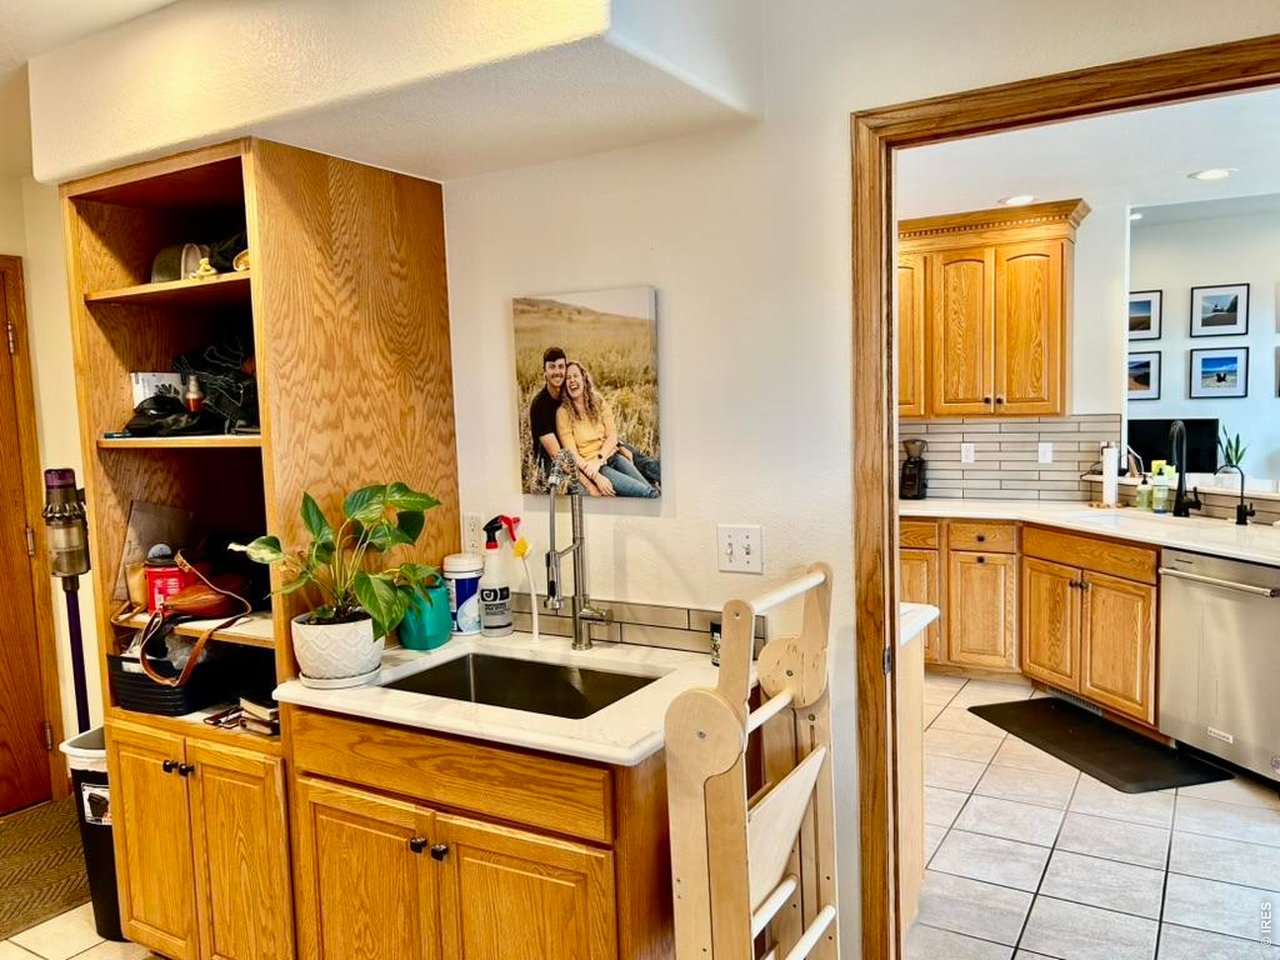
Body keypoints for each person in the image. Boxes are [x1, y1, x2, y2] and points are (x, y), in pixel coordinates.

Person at [556, 361, 659, 498]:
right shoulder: (563, 413)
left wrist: (599, 459)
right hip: (593, 468)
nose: (572, 380)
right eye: (568, 378)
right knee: (647, 493)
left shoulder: (598, 402)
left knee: (650, 490)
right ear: (564, 385)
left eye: (575, 376)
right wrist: (596, 475)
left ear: (584, 378)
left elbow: (612, 436)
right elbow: (572, 455)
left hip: (611, 457)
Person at [528, 346, 568, 481]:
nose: (557, 372)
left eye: (561, 367)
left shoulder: (568, 396)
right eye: (552, 367)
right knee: (579, 489)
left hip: (572, 454)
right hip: (550, 461)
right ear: (544, 372)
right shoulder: (539, 405)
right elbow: (556, 455)